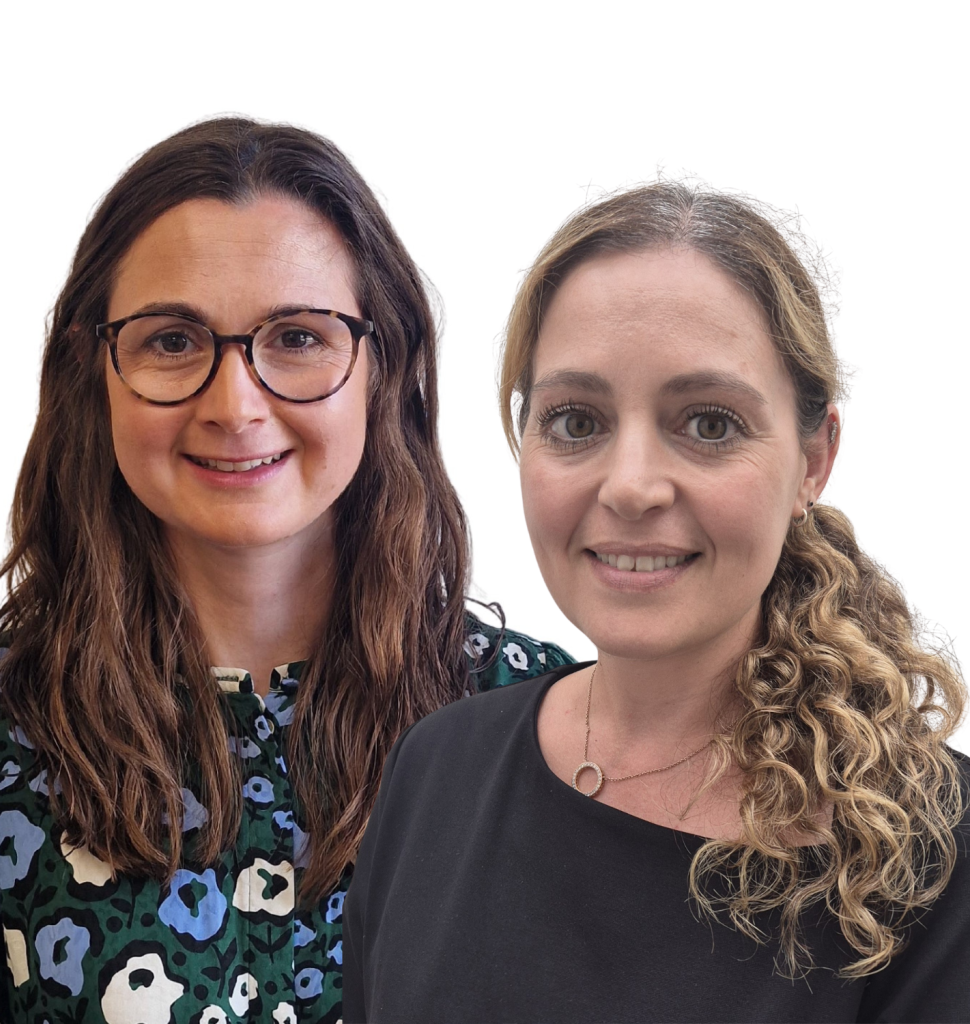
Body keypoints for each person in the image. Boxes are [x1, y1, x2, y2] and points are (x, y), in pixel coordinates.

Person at [0, 117, 572, 1024]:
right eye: (171, 340)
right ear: (95, 369)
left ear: (381, 364)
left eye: (298, 338)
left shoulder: (544, 724)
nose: (236, 404)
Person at [343, 183, 970, 1023]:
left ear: (814, 461)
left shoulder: (934, 852)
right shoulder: (436, 770)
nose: (632, 486)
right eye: (575, 421)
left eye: (709, 424)